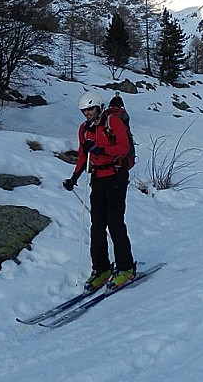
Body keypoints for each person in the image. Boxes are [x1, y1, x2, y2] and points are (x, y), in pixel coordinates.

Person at [63, 90, 136, 292]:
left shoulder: (113, 122)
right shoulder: (84, 129)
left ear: (99, 108)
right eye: (84, 111)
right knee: (96, 227)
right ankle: (101, 269)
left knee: (114, 222)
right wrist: (73, 178)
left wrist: (102, 150)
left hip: (116, 177)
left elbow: (124, 148)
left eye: (90, 110)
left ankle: (126, 267)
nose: (87, 114)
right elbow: (82, 156)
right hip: (97, 179)